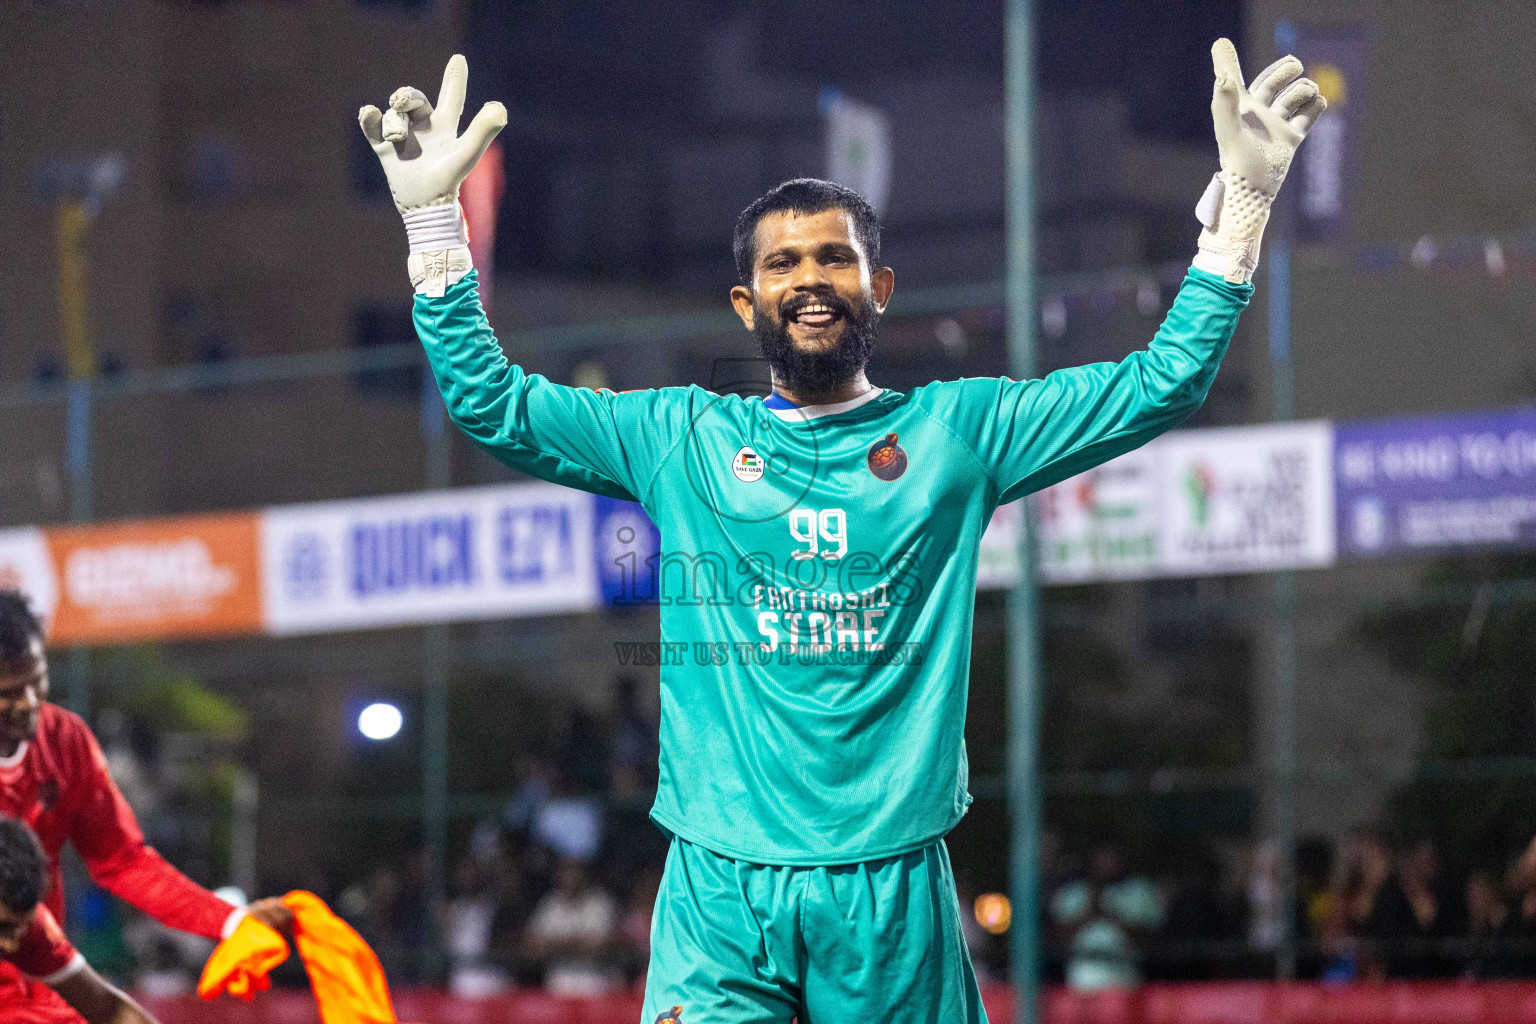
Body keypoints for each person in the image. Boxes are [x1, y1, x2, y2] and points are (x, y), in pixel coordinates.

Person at [359, 40, 1325, 1023]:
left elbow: (1160, 385)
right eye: (783, 263)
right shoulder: (679, 437)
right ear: (747, 303)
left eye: (834, 257)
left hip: (890, 892)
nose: (810, 277)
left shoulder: (957, 433)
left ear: (881, 288)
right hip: (720, 891)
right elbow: (494, 407)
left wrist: (1239, 212)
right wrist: (435, 229)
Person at [0, 592, 293, 1008]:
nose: (29, 704)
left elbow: (124, 862)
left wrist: (228, 921)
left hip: (43, 985)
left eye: (37, 682)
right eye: (10, 692)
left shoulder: (65, 741)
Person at [0, 814, 163, 1024]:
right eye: (2, 928)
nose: (12, 945)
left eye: (20, 927)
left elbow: (109, 1011)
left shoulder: (30, 925)